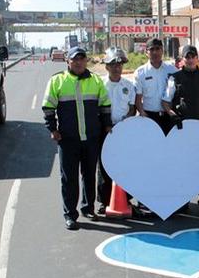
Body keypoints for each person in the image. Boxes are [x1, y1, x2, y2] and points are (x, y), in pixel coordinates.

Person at [42, 46, 112, 230]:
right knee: (69, 178)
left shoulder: (96, 80)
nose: (79, 62)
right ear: (68, 61)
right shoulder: (57, 81)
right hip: (68, 139)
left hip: (91, 137)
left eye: (82, 59)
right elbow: (48, 107)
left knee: (89, 175)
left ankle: (88, 208)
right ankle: (70, 215)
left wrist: (106, 125)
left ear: (86, 61)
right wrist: (52, 129)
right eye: (75, 59)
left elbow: (105, 105)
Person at [162, 45, 199, 215]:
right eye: (187, 56)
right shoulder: (175, 77)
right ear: (182, 59)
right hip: (182, 129)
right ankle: (183, 201)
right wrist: (172, 114)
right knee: (182, 165)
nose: (190, 59)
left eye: (193, 56)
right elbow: (166, 101)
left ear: (197, 59)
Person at [97, 47, 136, 215]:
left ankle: (125, 199)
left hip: (123, 130)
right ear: (106, 67)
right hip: (104, 129)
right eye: (112, 64)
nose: (116, 67)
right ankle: (104, 201)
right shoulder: (99, 84)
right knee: (104, 165)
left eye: (119, 64)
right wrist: (106, 124)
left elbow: (132, 107)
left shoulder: (129, 85)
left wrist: (124, 122)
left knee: (125, 164)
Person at [134, 38, 178, 136]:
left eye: (158, 49)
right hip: (150, 116)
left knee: (169, 146)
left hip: (169, 115)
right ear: (146, 52)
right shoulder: (140, 72)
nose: (155, 52)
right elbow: (138, 98)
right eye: (152, 49)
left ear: (162, 51)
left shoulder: (172, 70)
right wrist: (142, 112)